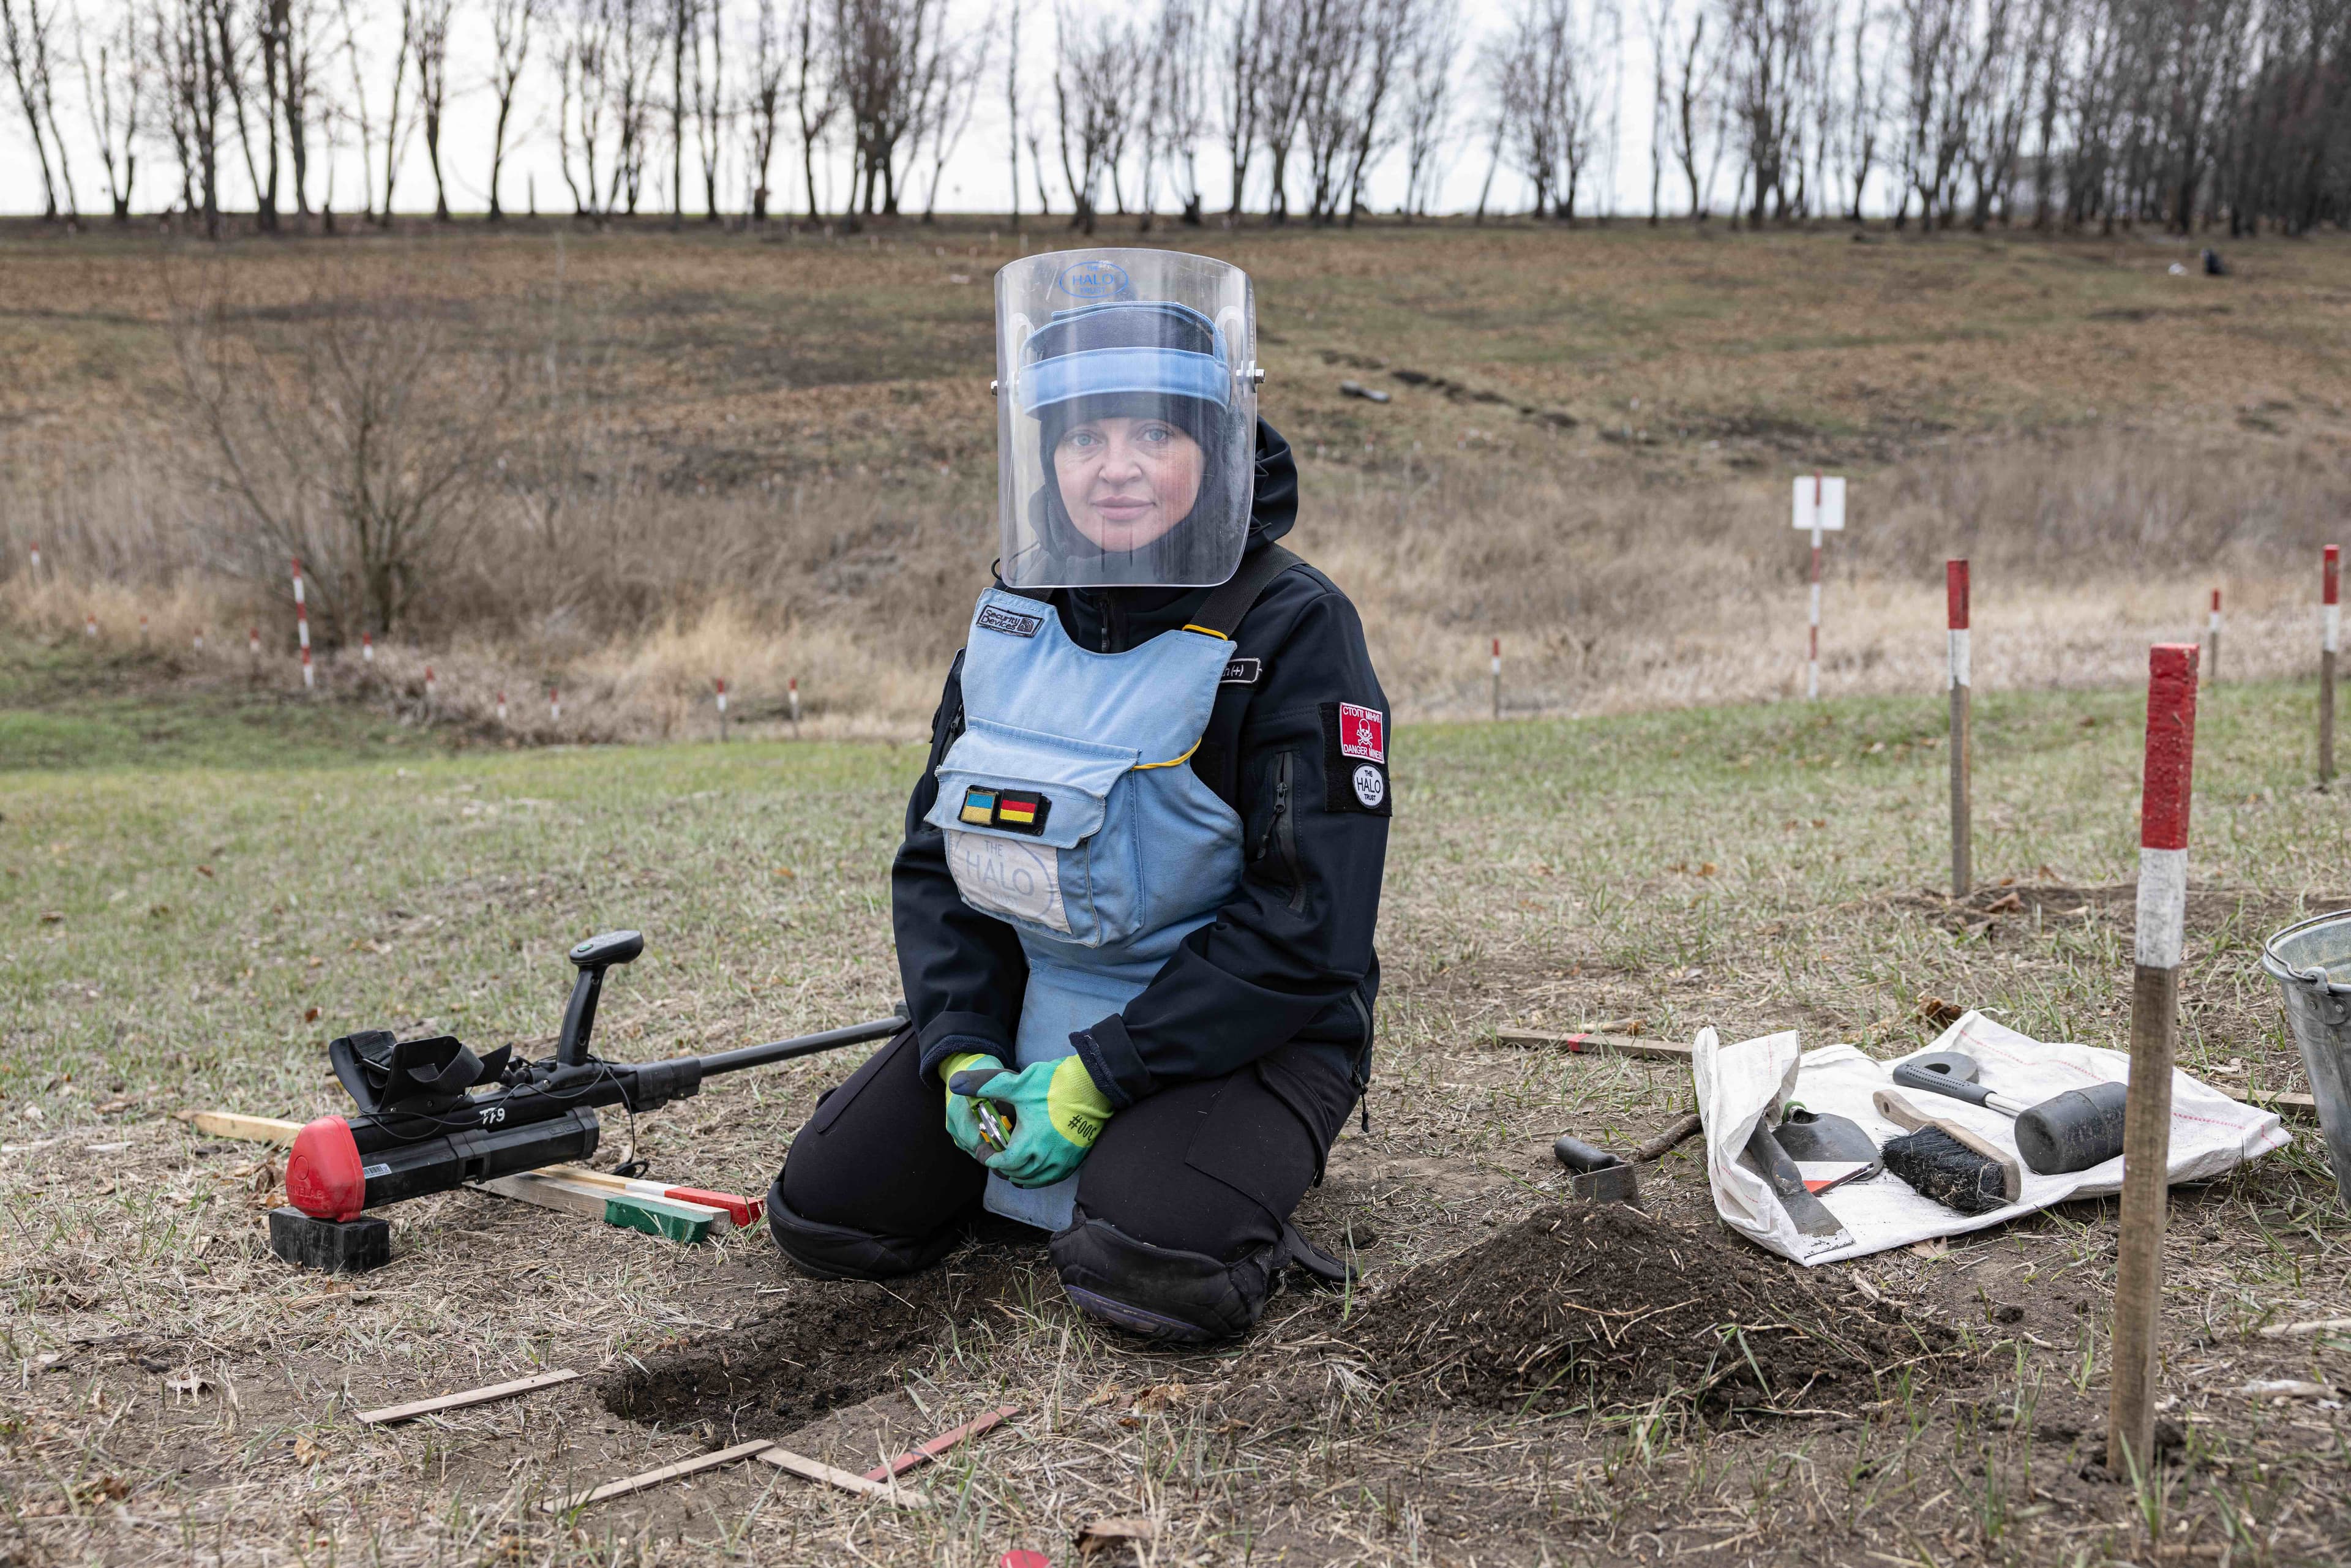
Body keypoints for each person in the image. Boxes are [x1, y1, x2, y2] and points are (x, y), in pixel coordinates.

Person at [766, 250, 1393, 1344]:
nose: (1116, 468)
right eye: (1083, 438)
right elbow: (937, 864)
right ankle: (1030, 1151)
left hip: (1247, 1032)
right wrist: (960, 1047)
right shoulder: (1009, 615)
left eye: (1155, 434)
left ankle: (1193, 1172)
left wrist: (1103, 1075)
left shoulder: (1292, 628)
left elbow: (1309, 928)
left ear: (1218, 442)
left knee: (1151, 1271)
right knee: (829, 1220)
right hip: (1031, 1005)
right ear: (1045, 455)